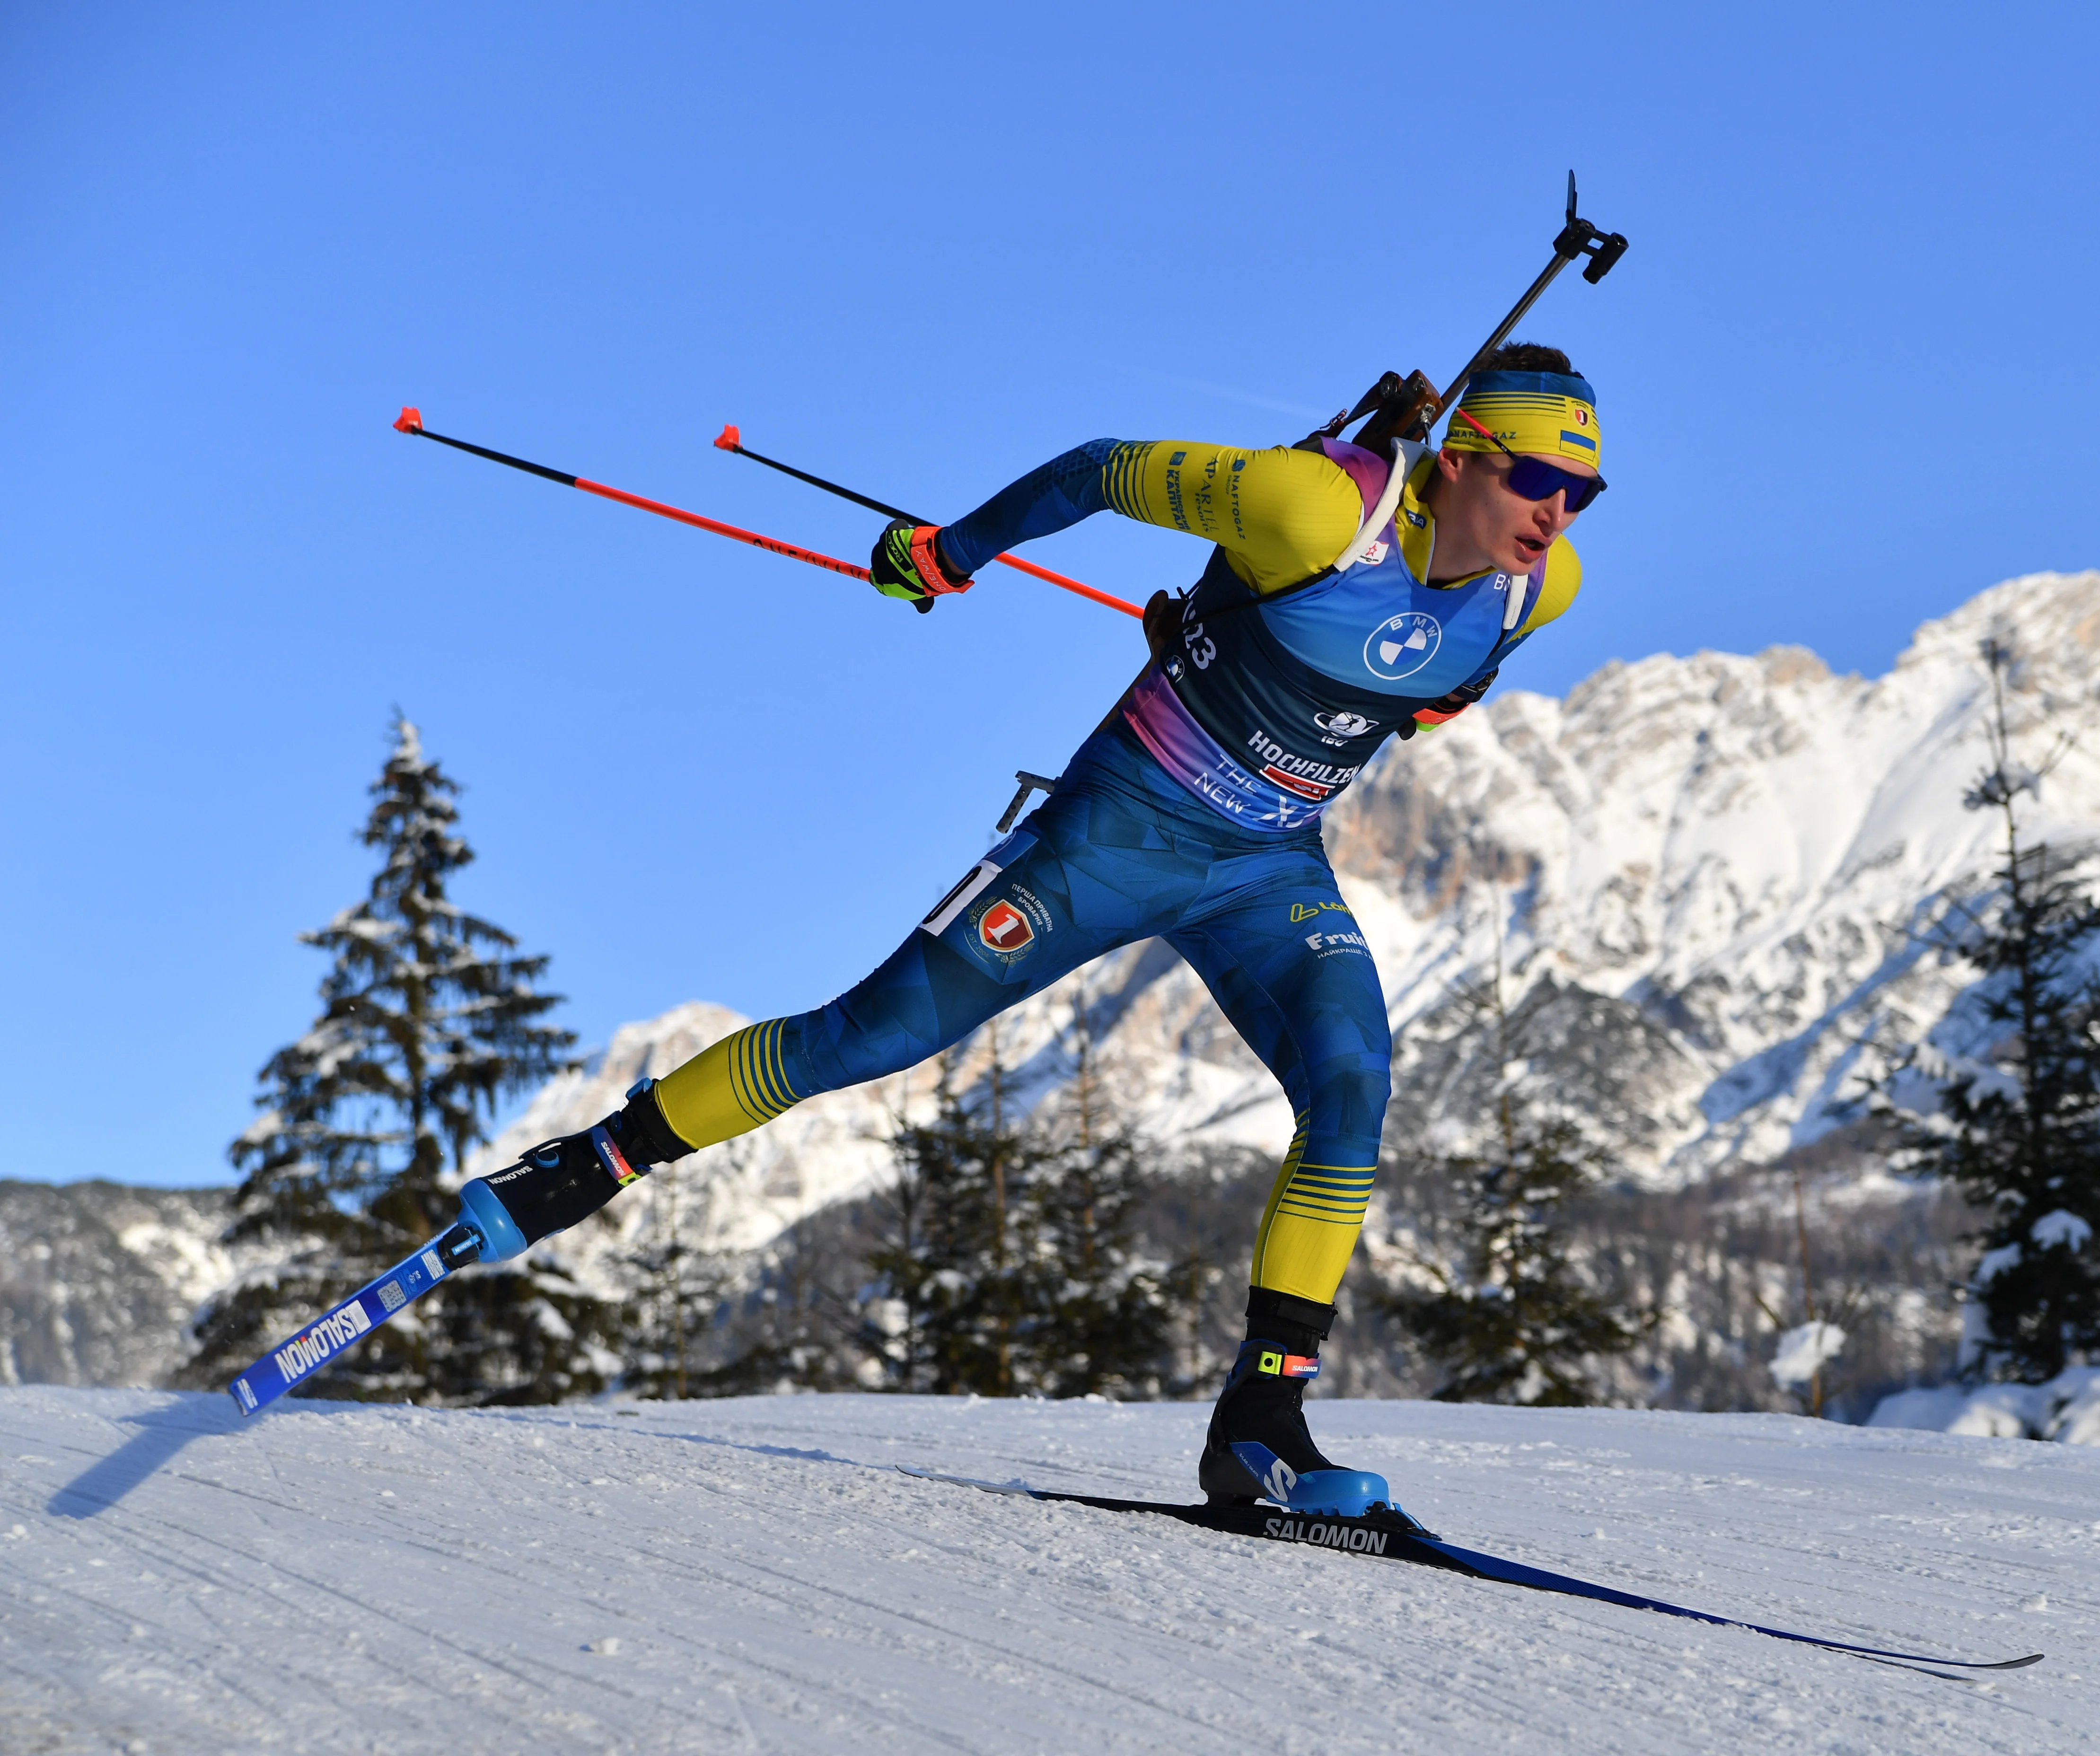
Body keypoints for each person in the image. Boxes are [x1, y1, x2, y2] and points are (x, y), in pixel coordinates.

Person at [472, 343, 1604, 1519]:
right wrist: (948, 552)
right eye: (1536, 478)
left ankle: (1261, 1425)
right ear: (1463, 455)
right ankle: (592, 1159)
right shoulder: (1314, 506)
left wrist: (1260, 640)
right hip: (1115, 834)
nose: (1558, 513)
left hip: (1267, 868)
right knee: (871, 1036)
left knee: (1354, 1082)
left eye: (1583, 495)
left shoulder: (1543, 589)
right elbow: (1104, 469)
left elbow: (1412, 687)